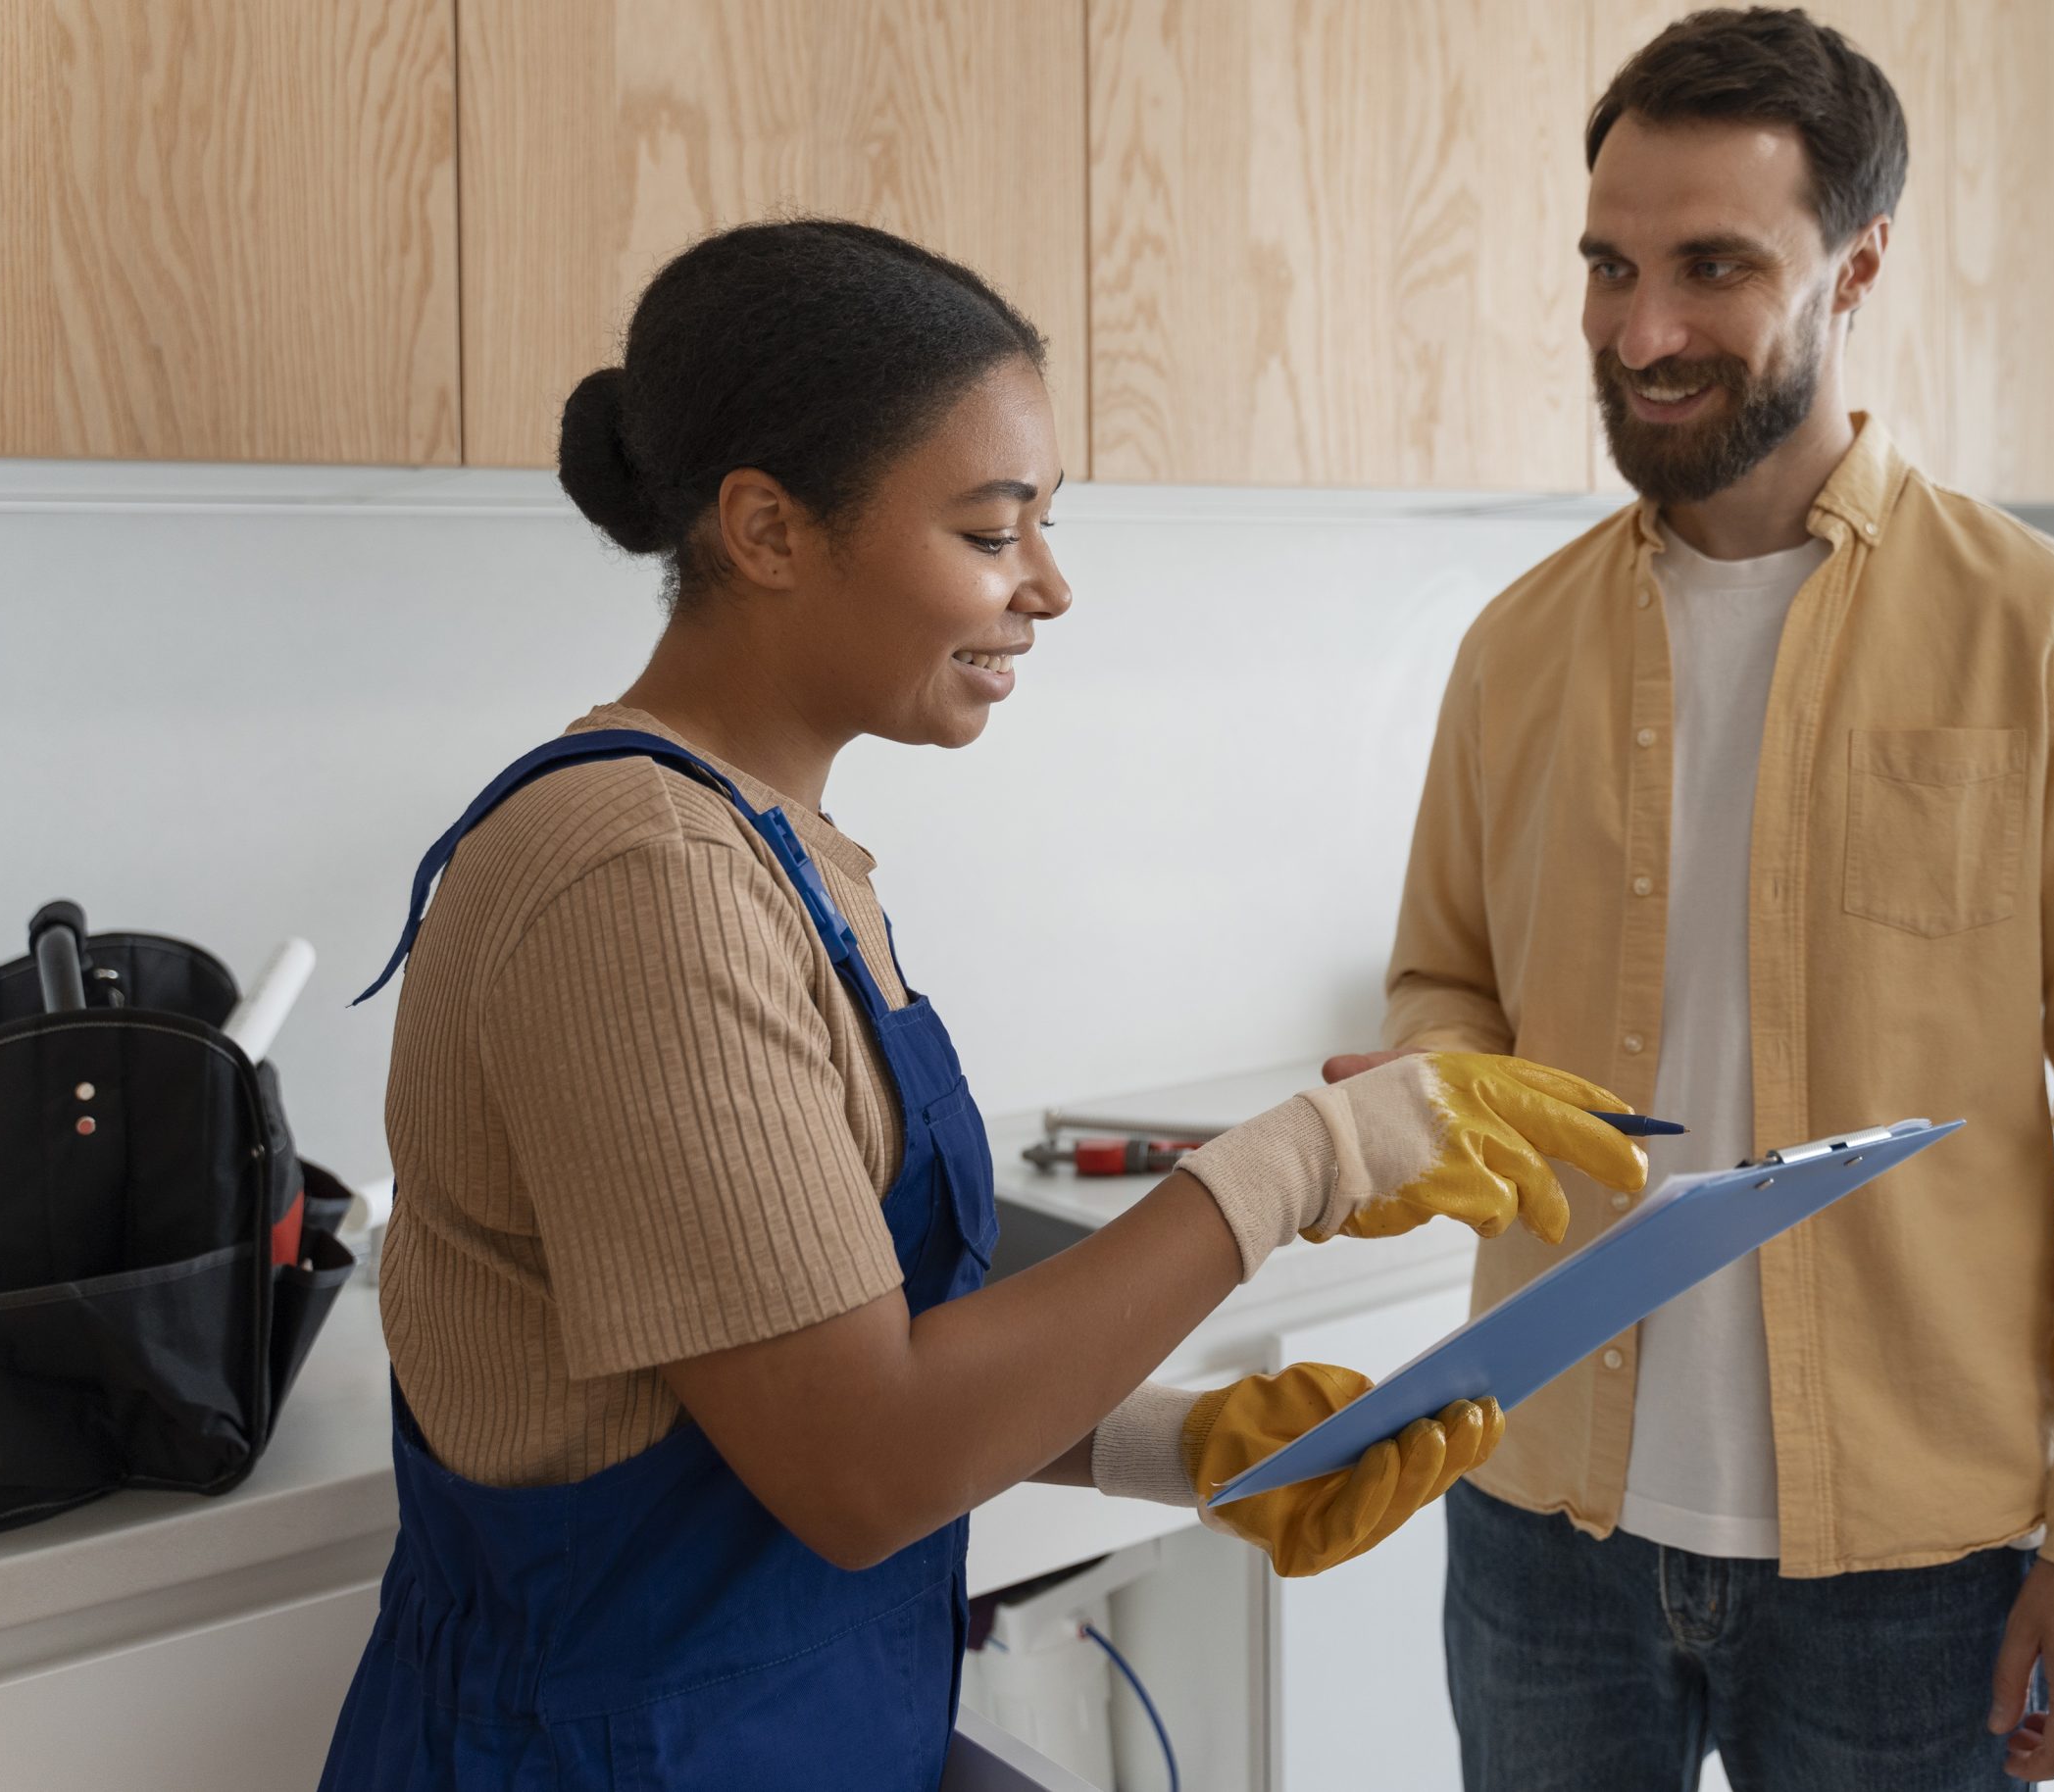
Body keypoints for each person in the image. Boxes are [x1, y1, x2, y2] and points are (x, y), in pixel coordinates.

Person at [315, 219, 1649, 1791]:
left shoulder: (775, 851)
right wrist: (1305, 1158)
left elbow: (810, 1359)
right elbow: (865, 1463)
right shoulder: (636, 876)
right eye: (993, 529)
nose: (1051, 588)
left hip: (789, 1719)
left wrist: (1181, 1445)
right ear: (767, 529)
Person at [1345, 10, 2054, 1787]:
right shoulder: (1514, 648)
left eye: (1713, 267)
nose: (1640, 329)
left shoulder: (2047, 629)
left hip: (1917, 1569)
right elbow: (1440, 984)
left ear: (1858, 267)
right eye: (1609, 265)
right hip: (1541, 1524)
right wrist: (1438, 1100)